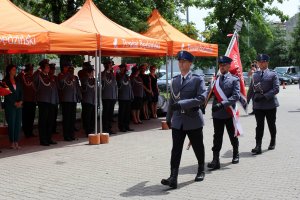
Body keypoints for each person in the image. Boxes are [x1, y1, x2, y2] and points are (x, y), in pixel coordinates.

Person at [161, 50, 207, 189]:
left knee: (198, 146)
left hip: (193, 119)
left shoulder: (197, 79)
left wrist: (182, 104)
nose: (181, 64)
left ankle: (201, 170)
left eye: (184, 62)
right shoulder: (175, 80)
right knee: (176, 149)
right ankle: (173, 177)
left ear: (190, 63)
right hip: (178, 120)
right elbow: (171, 100)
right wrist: (168, 118)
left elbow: (201, 98)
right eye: (179, 62)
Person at [207, 56, 241, 170]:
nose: (221, 67)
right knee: (217, 137)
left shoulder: (234, 79)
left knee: (232, 135)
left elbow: (236, 96)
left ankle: (235, 153)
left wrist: (222, 104)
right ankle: (215, 160)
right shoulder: (215, 79)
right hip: (217, 114)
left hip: (228, 112)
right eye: (220, 65)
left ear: (228, 66)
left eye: (223, 65)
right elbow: (208, 94)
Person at [247, 54, 280, 154]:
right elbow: (251, 89)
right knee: (259, 125)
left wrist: (264, 96)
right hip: (258, 105)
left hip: (270, 104)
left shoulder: (273, 74)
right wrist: (246, 100)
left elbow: (276, 89)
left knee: (271, 124)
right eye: (259, 62)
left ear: (267, 62)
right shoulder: (255, 74)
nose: (260, 64)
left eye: (262, 62)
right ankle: (258, 146)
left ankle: (273, 140)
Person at [33, 59, 59, 146]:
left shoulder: (49, 76)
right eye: (47, 67)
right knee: (43, 121)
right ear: (42, 68)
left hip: (51, 101)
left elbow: (54, 89)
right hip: (43, 101)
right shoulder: (39, 76)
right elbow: (34, 79)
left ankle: (49, 138)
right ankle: (43, 140)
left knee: (50, 121)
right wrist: (38, 70)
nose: (49, 68)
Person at [58, 62, 81, 141]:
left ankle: (71, 134)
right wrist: (67, 74)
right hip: (66, 100)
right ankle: (66, 135)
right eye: (68, 67)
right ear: (64, 68)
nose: (70, 69)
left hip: (73, 99)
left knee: (72, 119)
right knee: (67, 119)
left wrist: (79, 96)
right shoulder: (61, 75)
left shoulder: (74, 77)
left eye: (71, 68)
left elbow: (77, 87)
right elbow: (61, 82)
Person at [3, 64, 23, 149]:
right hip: (10, 106)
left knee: (18, 124)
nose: (15, 71)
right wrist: (14, 103)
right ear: (9, 71)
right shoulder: (4, 81)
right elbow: (6, 94)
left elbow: (22, 92)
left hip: (19, 105)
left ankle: (16, 142)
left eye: (15, 69)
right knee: (12, 124)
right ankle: (12, 142)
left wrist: (21, 101)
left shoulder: (18, 80)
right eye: (13, 69)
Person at [19, 63, 36, 138]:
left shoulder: (33, 77)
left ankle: (30, 131)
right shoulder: (23, 77)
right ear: (28, 70)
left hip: (32, 100)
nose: (32, 71)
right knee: (26, 117)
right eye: (31, 69)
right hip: (26, 100)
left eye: (32, 69)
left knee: (31, 117)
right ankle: (26, 132)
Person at [116, 63, 134, 132]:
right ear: (120, 68)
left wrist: (131, 95)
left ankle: (127, 126)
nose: (124, 69)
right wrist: (123, 75)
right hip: (122, 96)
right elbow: (120, 82)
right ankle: (121, 126)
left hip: (128, 96)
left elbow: (129, 86)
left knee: (127, 113)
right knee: (122, 112)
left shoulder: (126, 75)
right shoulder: (119, 75)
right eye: (122, 68)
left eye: (124, 68)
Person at [101, 60, 118, 135]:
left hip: (112, 96)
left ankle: (109, 128)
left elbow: (115, 85)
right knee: (106, 113)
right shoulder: (102, 73)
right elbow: (102, 80)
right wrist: (106, 70)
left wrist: (115, 95)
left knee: (110, 114)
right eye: (110, 65)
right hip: (106, 96)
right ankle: (105, 128)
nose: (111, 66)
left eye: (111, 65)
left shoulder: (112, 74)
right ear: (107, 65)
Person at [81, 64, 96, 136]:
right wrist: (88, 77)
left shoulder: (93, 80)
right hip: (87, 100)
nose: (93, 74)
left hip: (93, 100)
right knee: (87, 116)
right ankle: (87, 130)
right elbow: (84, 88)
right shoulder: (85, 79)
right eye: (92, 72)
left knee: (92, 116)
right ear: (88, 73)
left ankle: (92, 129)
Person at [49, 63, 59, 135]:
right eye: (52, 69)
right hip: (50, 100)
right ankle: (50, 130)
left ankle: (53, 129)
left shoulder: (55, 77)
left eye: (54, 69)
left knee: (54, 115)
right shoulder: (47, 77)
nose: (53, 70)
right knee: (50, 116)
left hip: (55, 99)